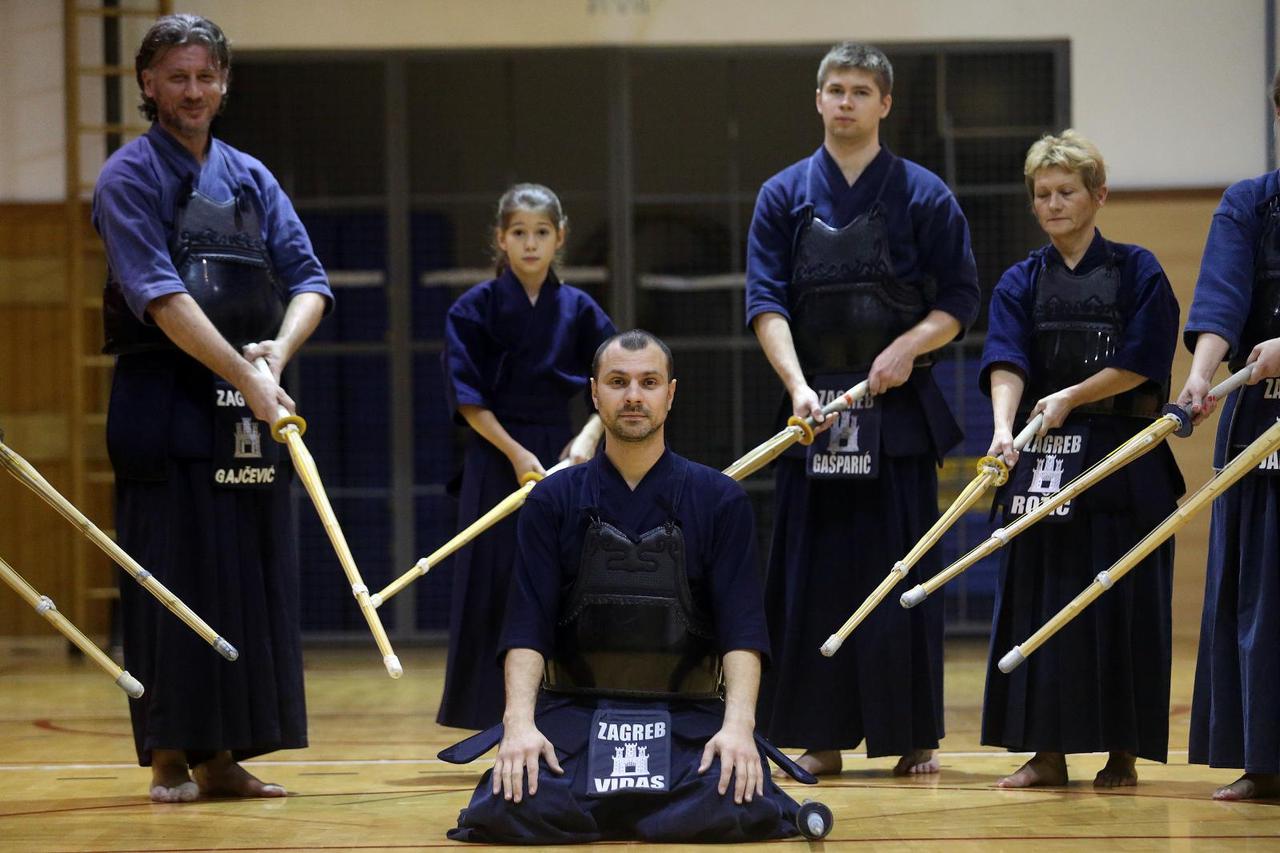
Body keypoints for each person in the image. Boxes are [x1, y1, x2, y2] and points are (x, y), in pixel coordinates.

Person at [441, 330, 813, 843]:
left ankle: (603, 814)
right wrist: (520, 725)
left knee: (734, 796)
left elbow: (742, 630)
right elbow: (526, 627)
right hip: (577, 714)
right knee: (511, 802)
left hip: (686, 717)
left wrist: (738, 729)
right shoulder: (551, 500)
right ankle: (651, 817)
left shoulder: (719, 499)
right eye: (618, 382)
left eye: (648, 382)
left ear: (670, 393)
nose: (633, 395)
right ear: (595, 395)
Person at [92, 14, 332, 802]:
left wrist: (275, 357)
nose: (193, 90)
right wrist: (248, 375)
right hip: (164, 402)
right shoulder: (128, 177)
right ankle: (169, 750)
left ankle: (225, 754)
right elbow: (159, 294)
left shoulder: (252, 175)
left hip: (243, 402)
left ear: (224, 84)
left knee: (246, 577)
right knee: (174, 576)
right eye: (177, 77)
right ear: (148, 85)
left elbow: (309, 281)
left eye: (206, 76)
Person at [746, 42, 980, 776]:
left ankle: (912, 731)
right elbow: (766, 302)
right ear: (817, 101)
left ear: (884, 104)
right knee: (811, 576)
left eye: (860, 91)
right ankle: (820, 737)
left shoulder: (924, 194)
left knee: (902, 571)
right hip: (816, 411)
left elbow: (959, 301)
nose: (845, 101)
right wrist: (797, 386)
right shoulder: (782, 195)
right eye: (834, 89)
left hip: (899, 412)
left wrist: (910, 346)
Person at [979, 131, 1182, 788]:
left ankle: (1122, 752)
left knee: (1123, 602)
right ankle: (1046, 751)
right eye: (1043, 194)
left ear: (1098, 195)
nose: (1054, 204)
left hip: (1123, 458)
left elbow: (1145, 361)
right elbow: (1006, 359)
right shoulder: (1021, 280)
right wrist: (1005, 429)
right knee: (1042, 596)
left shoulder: (1139, 269)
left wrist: (1073, 393)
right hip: (1046, 457)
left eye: (1067, 191)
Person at [439, 184, 615, 730]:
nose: (531, 244)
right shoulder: (472, 309)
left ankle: (563, 714)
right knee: (492, 582)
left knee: (563, 580)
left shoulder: (580, 308)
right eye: (519, 233)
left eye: (542, 233)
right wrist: (516, 454)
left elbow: (612, 382)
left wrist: (588, 439)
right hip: (496, 457)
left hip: (564, 455)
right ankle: (493, 719)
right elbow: (467, 400)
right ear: (501, 238)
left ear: (559, 237)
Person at [1177, 69, 1280, 802]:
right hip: (1258, 422)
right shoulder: (1250, 203)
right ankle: (1264, 756)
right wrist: (1202, 374)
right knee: (1258, 591)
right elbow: (1222, 296)